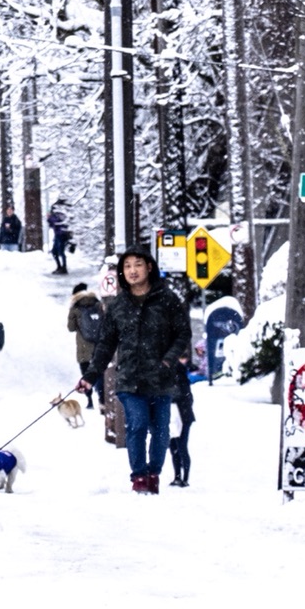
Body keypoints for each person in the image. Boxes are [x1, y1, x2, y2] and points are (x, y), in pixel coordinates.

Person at [78, 248, 191, 494]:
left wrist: (168, 360)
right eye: (127, 266)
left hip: (161, 378)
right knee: (137, 424)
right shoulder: (118, 305)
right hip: (129, 379)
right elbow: (106, 344)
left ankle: (154, 473)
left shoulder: (167, 300)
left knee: (160, 430)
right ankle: (139, 476)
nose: (132, 271)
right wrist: (90, 375)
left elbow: (183, 333)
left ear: (149, 267)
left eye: (137, 265)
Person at [67, 283, 104, 408]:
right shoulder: (98, 304)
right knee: (98, 373)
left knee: (86, 375)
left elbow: (71, 328)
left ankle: (90, 401)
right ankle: (102, 400)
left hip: (83, 349)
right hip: (99, 346)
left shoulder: (76, 308)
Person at [46, 201, 71, 275]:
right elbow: (52, 224)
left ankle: (63, 267)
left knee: (60, 252)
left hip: (62, 235)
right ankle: (60, 266)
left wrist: (50, 218)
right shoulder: (57, 214)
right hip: (58, 234)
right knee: (55, 252)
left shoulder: (60, 214)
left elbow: (55, 222)